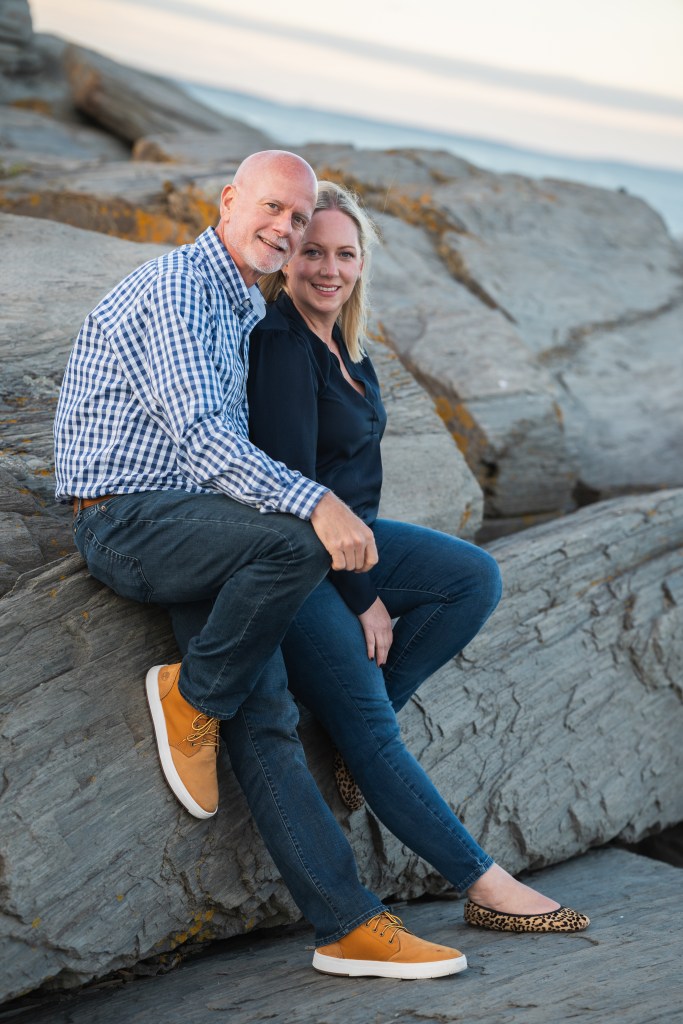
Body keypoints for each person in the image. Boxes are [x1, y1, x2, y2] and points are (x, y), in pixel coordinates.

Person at [54, 150, 479, 981]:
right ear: (228, 201)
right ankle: (191, 695)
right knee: (298, 539)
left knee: (268, 711)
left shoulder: (242, 302)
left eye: (299, 217)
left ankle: (347, 926)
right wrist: (318, 505)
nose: (285, 228)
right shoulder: (180, 289)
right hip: (129, 520)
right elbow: (202, 436)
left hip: (206, 526)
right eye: (273, 209)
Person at [247, 180, 590, 943]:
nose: (328, 269)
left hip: (352, 540)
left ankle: (355, 728)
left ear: (361, 262)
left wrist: (365, 573)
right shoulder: (279, 343)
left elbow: (354, 487)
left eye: (344, 254)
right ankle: (484, 885)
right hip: (293, 559)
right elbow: (294, 490)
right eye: (312, 252)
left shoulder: (348, 348)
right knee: (372, 725)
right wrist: (362, 596)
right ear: (286, 258)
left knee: (471, 577)